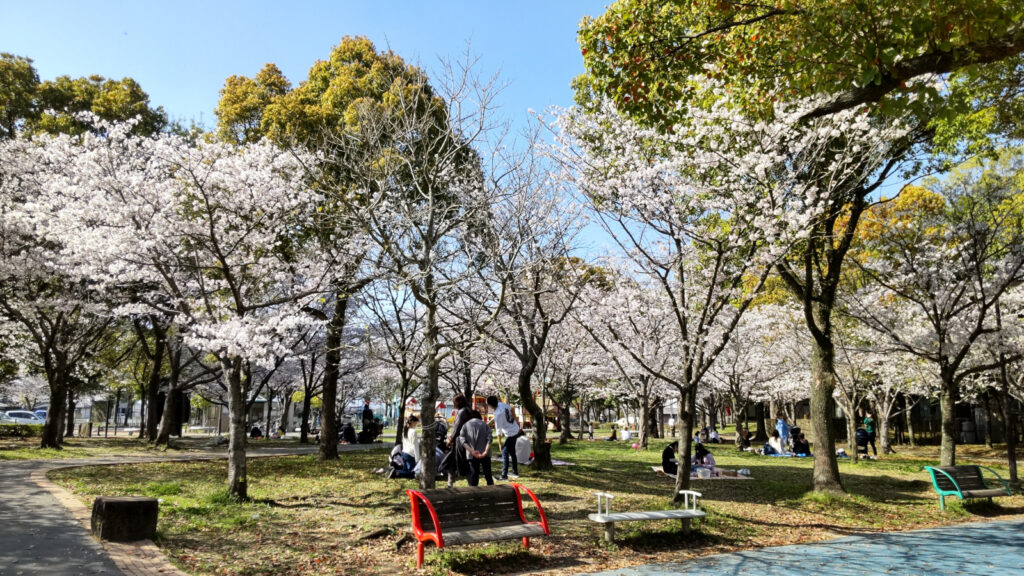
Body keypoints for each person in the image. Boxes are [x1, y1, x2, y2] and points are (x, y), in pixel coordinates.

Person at [487, 395, 522, 480]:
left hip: (511, 433)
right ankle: (515, 472)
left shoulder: (498, 415)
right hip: (516, 430)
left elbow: (498, 432)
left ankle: (504, 475)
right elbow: (512, 409)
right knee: (512, 452)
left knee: (505, 452)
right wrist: (516, 420)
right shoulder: (502, 404)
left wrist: (499, 444)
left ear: (490, 405)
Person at [459, 410, 494, 486]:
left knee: (474, 475)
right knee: (488, 474)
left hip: (472, 454)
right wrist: (485, 451)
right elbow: (490, 439)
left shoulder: (465, 425)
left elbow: (462, 441)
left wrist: (471, 451)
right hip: (485, 454)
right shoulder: (485, 425)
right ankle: (492, 492)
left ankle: (474, 494)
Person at [442, 395, 471, 486]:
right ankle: (450, 482)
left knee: (459, 462)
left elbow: (457, 428)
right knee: (454, 462)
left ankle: (470, 483)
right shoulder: (466, 410)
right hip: (464, 440)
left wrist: (450, 439)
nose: (453, 404)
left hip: (459, 441)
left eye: (454, 402)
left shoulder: (462, 412)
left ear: (459, 402)